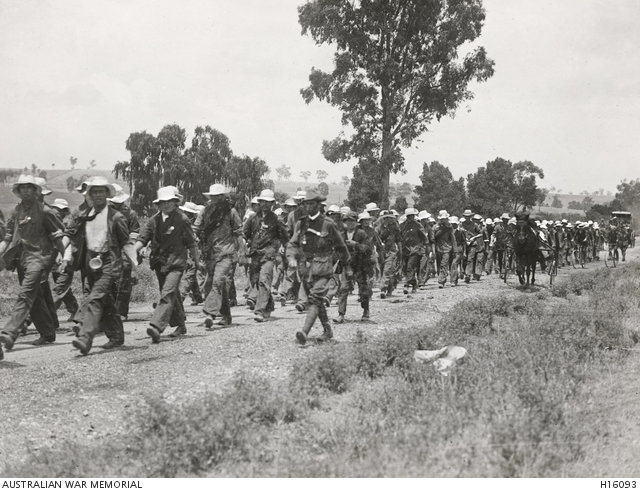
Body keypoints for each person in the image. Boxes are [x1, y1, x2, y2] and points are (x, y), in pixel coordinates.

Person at [61, 177, 130, 355]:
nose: (98, 195)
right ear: (89, 195)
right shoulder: (83, 214)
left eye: (101, 191)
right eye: (95, 192)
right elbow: (70, 232)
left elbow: (125, 242)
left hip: (109, 263)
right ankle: (116, 336)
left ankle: (85, 337)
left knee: (95, 298)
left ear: (107, 194)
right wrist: (61, 253)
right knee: (105, 300)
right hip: (90, 263)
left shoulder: (116, 216)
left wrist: (133, 264)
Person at [0, 175, 65, 355]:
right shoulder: (15, 212)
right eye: (22, 188)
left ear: (36, 190)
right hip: (22, 259)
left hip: (40, 258)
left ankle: (10, 331)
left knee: (26, 293)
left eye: (29, 187)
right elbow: (6, 239)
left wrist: (65, 256)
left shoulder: (46, 211)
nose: (26, 190)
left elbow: (61, 237)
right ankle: (47, 333)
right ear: (18, 191)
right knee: (34, 296)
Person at [136, 186, 199, 343]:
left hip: (176, 263)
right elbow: (143, 239)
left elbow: (191, 243)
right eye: (163, 202)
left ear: (175, 202)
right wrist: (132, 251)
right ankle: (181, 325)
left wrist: (198, 261)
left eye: (170, 201)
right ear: (159, 204)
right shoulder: (153, 221)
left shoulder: (182, 219)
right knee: (173, 294)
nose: (167, 204)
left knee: (167, 293)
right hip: (160, 263)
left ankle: (157, 326)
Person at [286, 188, 350, 345]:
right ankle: (327, 330)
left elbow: (341, 247)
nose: (308, 206)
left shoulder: (328, 224)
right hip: (306, 269)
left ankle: (304, 332)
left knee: (314, 298)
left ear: (319, 204)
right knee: (318, 301)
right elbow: (292, 244)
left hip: (323, 269)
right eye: (306, 203)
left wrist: (348, 267)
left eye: (312, 203)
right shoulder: (301, 223)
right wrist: (291, 257)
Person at [195, 184, 243, 327]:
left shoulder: (231, 212)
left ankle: (210, 313)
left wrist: (241, 253)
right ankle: (226, 316)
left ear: (223, 197)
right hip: (209, 253)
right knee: (214, 285)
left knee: (217, 281)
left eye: (218, 196)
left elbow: (239, 231)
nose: (215, 198)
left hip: (226, 253)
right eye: (213, 196)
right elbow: (196, 227)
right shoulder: (205, 211)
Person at [244, 189, 289, 322]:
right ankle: (269, 305)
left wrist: (281, 249)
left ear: (272, 204)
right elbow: (245, 233)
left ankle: (259, 311)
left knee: (264, 280)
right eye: (262, 201)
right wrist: (247, 242)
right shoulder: (253, 218)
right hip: (255, 255)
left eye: (268, 202)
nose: (265, 204)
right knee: (257, 282)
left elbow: (284, 237)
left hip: (269, 256)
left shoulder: (277, 220)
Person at [108, 184, 140, 320]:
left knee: (124, 281)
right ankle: (111, 311)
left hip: (125, 249)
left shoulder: (130, 214)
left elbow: (134, 232)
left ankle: (121, 312)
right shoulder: (106, 212)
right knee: (110, 281)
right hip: (110, 250)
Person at [334, 211, 373, 323]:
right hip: (347, 265)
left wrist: (356, 244)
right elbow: (339, 251)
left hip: (360, 265)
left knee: (363, 289)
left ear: (356, 222)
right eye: (347, 220)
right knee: (343, 289)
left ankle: (366, 311)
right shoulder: (342, 234)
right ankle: (341, 314)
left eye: (352, 220)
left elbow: (368, 249)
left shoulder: (361, 234)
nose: (350, 223)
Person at [50, 198, 79, 321]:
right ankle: (76, 312)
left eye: (59, 210)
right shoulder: (53, 224)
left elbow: (70, 245)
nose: (57, 212)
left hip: (66, 261)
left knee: (59, 289)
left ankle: (48, 317)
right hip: (55, 262)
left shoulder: (68, 225)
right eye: (55, 210)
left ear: (63, 211)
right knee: (64, 289)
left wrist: (65, 259)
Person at [178, 201, 205, 306]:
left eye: (188, 213)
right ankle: (198, 296)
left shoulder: (198, 224)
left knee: (190, 273)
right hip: (185, 251)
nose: (186, 214)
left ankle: (181, 297)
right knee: (191, 273)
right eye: (185, 212)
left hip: (198, 250)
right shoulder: (182, 222)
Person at [376, 210, 403, 298]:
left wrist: (400, 251)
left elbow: (398, 240)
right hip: (381, 252)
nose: (389, 220)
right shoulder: (378, 229)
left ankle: (383, 288)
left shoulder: (395, 229)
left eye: (390, 218)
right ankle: (389, 288)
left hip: (392, 252)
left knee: (388, 270)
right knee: (383, 270)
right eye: (387, 218)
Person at [400, 208, 427, 294]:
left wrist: (425, 246)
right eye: (409, 216)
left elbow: (424, 237)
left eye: (412, 216)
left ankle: (406, 285)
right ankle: (414, 283)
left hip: (415, 249)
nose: (411, 217)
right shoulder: (402, 226)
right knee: (405, 268)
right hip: (405, 249)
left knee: (410, 267)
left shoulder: (418, 225)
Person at [433, 210, 457, 288]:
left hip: (447, 248)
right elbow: (433, 239)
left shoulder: (449, 227)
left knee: (444, 264)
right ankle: (442, 278)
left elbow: (453, 239)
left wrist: (455, 249)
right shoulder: (435, 227)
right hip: (438, 248)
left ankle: (441, 281)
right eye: (442, 219)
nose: (443, 220)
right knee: (439, 265)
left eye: (444, 219)